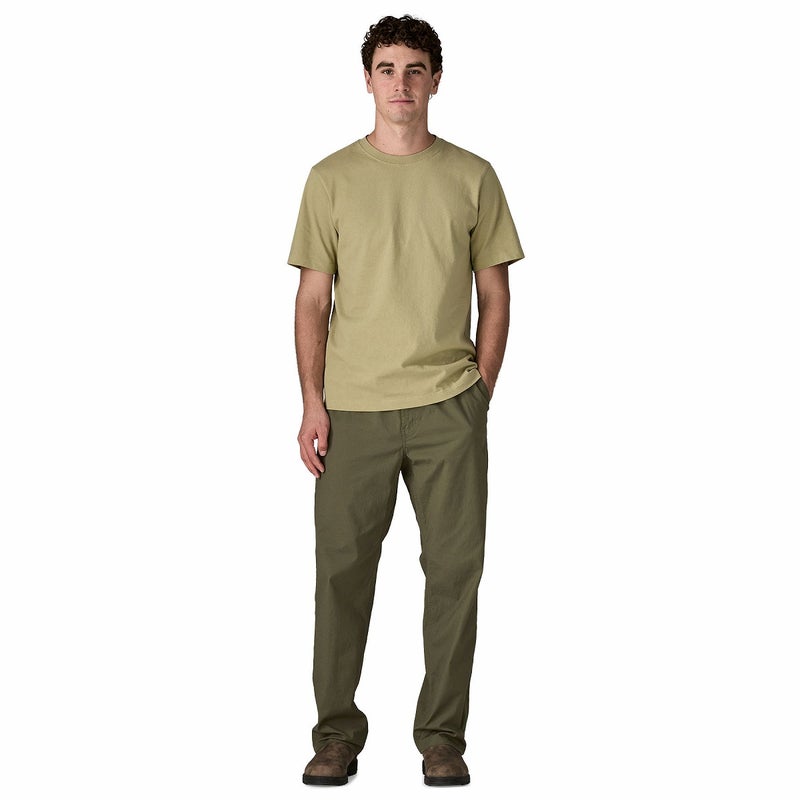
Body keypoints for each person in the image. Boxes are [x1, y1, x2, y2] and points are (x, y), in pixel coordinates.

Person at [288, 14, 524, 787]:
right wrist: (312, 402)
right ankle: (335, 736)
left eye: (415, 69)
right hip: (352, 408)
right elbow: (312, 299)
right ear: (367, 80)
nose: (401, 84)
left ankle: (442, 739)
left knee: (455, 574)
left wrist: (478, 391)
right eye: (387, 69)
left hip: (447, 406)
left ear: (436, 81)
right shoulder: (329, 178)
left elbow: (496, 295)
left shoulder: (473, 176)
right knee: (340, 577)